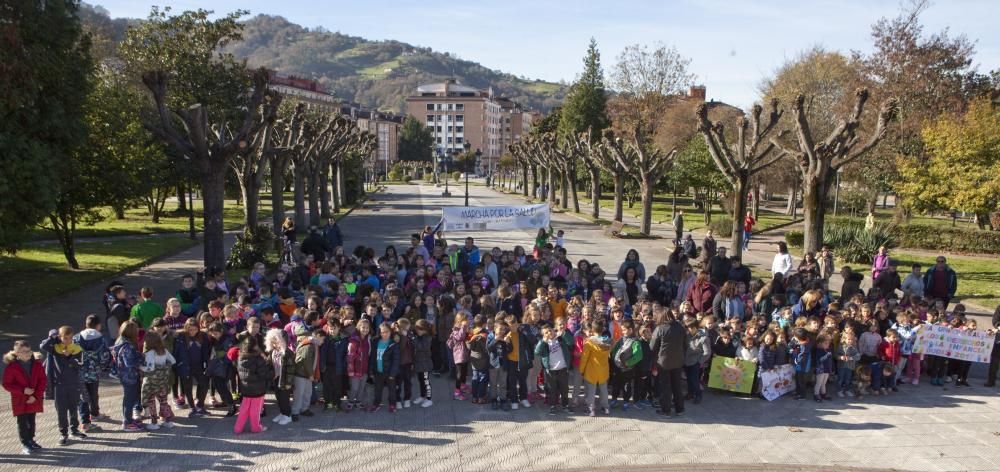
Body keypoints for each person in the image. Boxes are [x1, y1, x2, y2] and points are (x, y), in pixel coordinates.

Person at [40, 326, 85, 445]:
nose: (68, 340)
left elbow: (80, 364)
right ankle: (63, 433)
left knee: (73, 408)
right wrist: (52, 337)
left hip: (73, 384)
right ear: (60, 337)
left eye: (70, 338)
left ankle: (74, 429)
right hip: (59, 385)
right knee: (61, 410)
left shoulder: (76, 348)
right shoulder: (55, 348)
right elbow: (43, 346)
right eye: (65, 338)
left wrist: (69, 357)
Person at [3, 340, 47, 455]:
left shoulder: (37, 364)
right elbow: (7, 384)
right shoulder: (12, 367)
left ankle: (31, 440)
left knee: (31, 420)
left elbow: (43, 380)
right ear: (17, 353)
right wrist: (23, 391)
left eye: (29, 351)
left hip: (33, 399)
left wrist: (36, 396)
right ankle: (25, 443)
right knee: (22, 422)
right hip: (20, 400)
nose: (27, 353)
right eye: (24, 352)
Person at [74, 314, 110, 432]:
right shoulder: (101, 339)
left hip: (80, 372)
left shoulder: (77, 338)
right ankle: (95, 413)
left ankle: (85, 421)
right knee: (94, 393)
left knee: (83, 396)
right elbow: (105, 356)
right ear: (98, 326)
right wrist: (103, 366)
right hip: (94, 371)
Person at [650, 310, 686, 417]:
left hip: (663, 362)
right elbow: (685, 344)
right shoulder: (680, 327)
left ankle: (666, 410)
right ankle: (680, 409)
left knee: (665, 386)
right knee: (677, 385)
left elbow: (652, 347)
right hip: (678, 361)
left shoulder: (660, 329)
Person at [113, 321, 146, 431]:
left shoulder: (120, 341)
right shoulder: (128, 346)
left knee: (129, 398)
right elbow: (130, 362)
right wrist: (141, 360)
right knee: (129, 399)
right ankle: (127, 422)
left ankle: (129, 419)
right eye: (136, 330)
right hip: (130, 377)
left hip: (123, 375)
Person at [140, 331, 176, 431]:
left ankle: (154, 422)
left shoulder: (150, 353)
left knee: (151, 401)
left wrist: (140, 367)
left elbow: (149, 368)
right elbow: (173, 361)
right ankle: (168, 421)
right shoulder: (164, 350)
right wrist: (163, 366)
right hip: (163, 382)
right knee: (163, 401)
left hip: (151, 383)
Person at [535, 322, 573, 415]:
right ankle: (553, 406)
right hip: (551, 371)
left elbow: (571, 342)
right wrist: (543, 341)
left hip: (563, 368)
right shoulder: (544, 343)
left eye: (550, 331)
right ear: (543, 335)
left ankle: (565, 405)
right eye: (546, 333)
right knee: (552, 390)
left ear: (553, 329)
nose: (549, 333)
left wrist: (563, 333)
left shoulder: (560, 339)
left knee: (564, 389)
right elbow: (537, 352)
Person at [291, 326, 325, 420]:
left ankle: (304, 409)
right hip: (301, 373)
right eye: (322, 339)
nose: (323, 342)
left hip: (307, 374)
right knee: (299, 394)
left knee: (307, 393)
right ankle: (295, 412)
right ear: (318, 336)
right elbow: (306, 360)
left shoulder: (313, 344)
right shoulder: (309, 345)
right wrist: (310, 374)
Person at [580, 320, 611, 417]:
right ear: (603, 329)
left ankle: (591, 409)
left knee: (591, 390)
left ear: (592, 330)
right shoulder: (608, 341)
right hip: (603, 370)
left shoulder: (589, 342)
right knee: (604, 389)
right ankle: (606, 407)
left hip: (591, 370)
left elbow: (584, 358)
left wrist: (581, 369)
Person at [265, 327, 295, 425]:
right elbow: (270, 364)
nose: (275, 344)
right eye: (272, 342)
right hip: (276, 378)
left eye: (276, 342)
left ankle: (287, 415)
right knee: (278, 397)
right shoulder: (272, 352)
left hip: (285, 379)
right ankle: (282, 413)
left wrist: (289, 383)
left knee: (284, 398)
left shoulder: (287, 353)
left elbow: (291, 369)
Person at [369, 322, 400, 413]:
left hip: (389, 372)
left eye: (387, 332)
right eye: (382, 332)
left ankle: (392, 404)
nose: (384, 334)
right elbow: (372, 358)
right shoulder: (375, 342)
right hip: (378, 371)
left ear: (390, 332)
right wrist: (371, 371)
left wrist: (393, 373)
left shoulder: (393, 344)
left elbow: (396, 360)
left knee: (392, 390)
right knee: (377, 389)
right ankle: (376, 404)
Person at [683, 318, 711, 405]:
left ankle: (698, 395)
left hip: (695, 362)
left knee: (694, 380)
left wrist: (699, 361)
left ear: (695, 328)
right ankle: (690, 393)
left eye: (690, 328)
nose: (688, 330)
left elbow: (707, 353)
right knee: (688, 379)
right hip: (686, 361)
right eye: (687, 328)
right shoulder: (687, 336)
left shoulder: (703, 338)